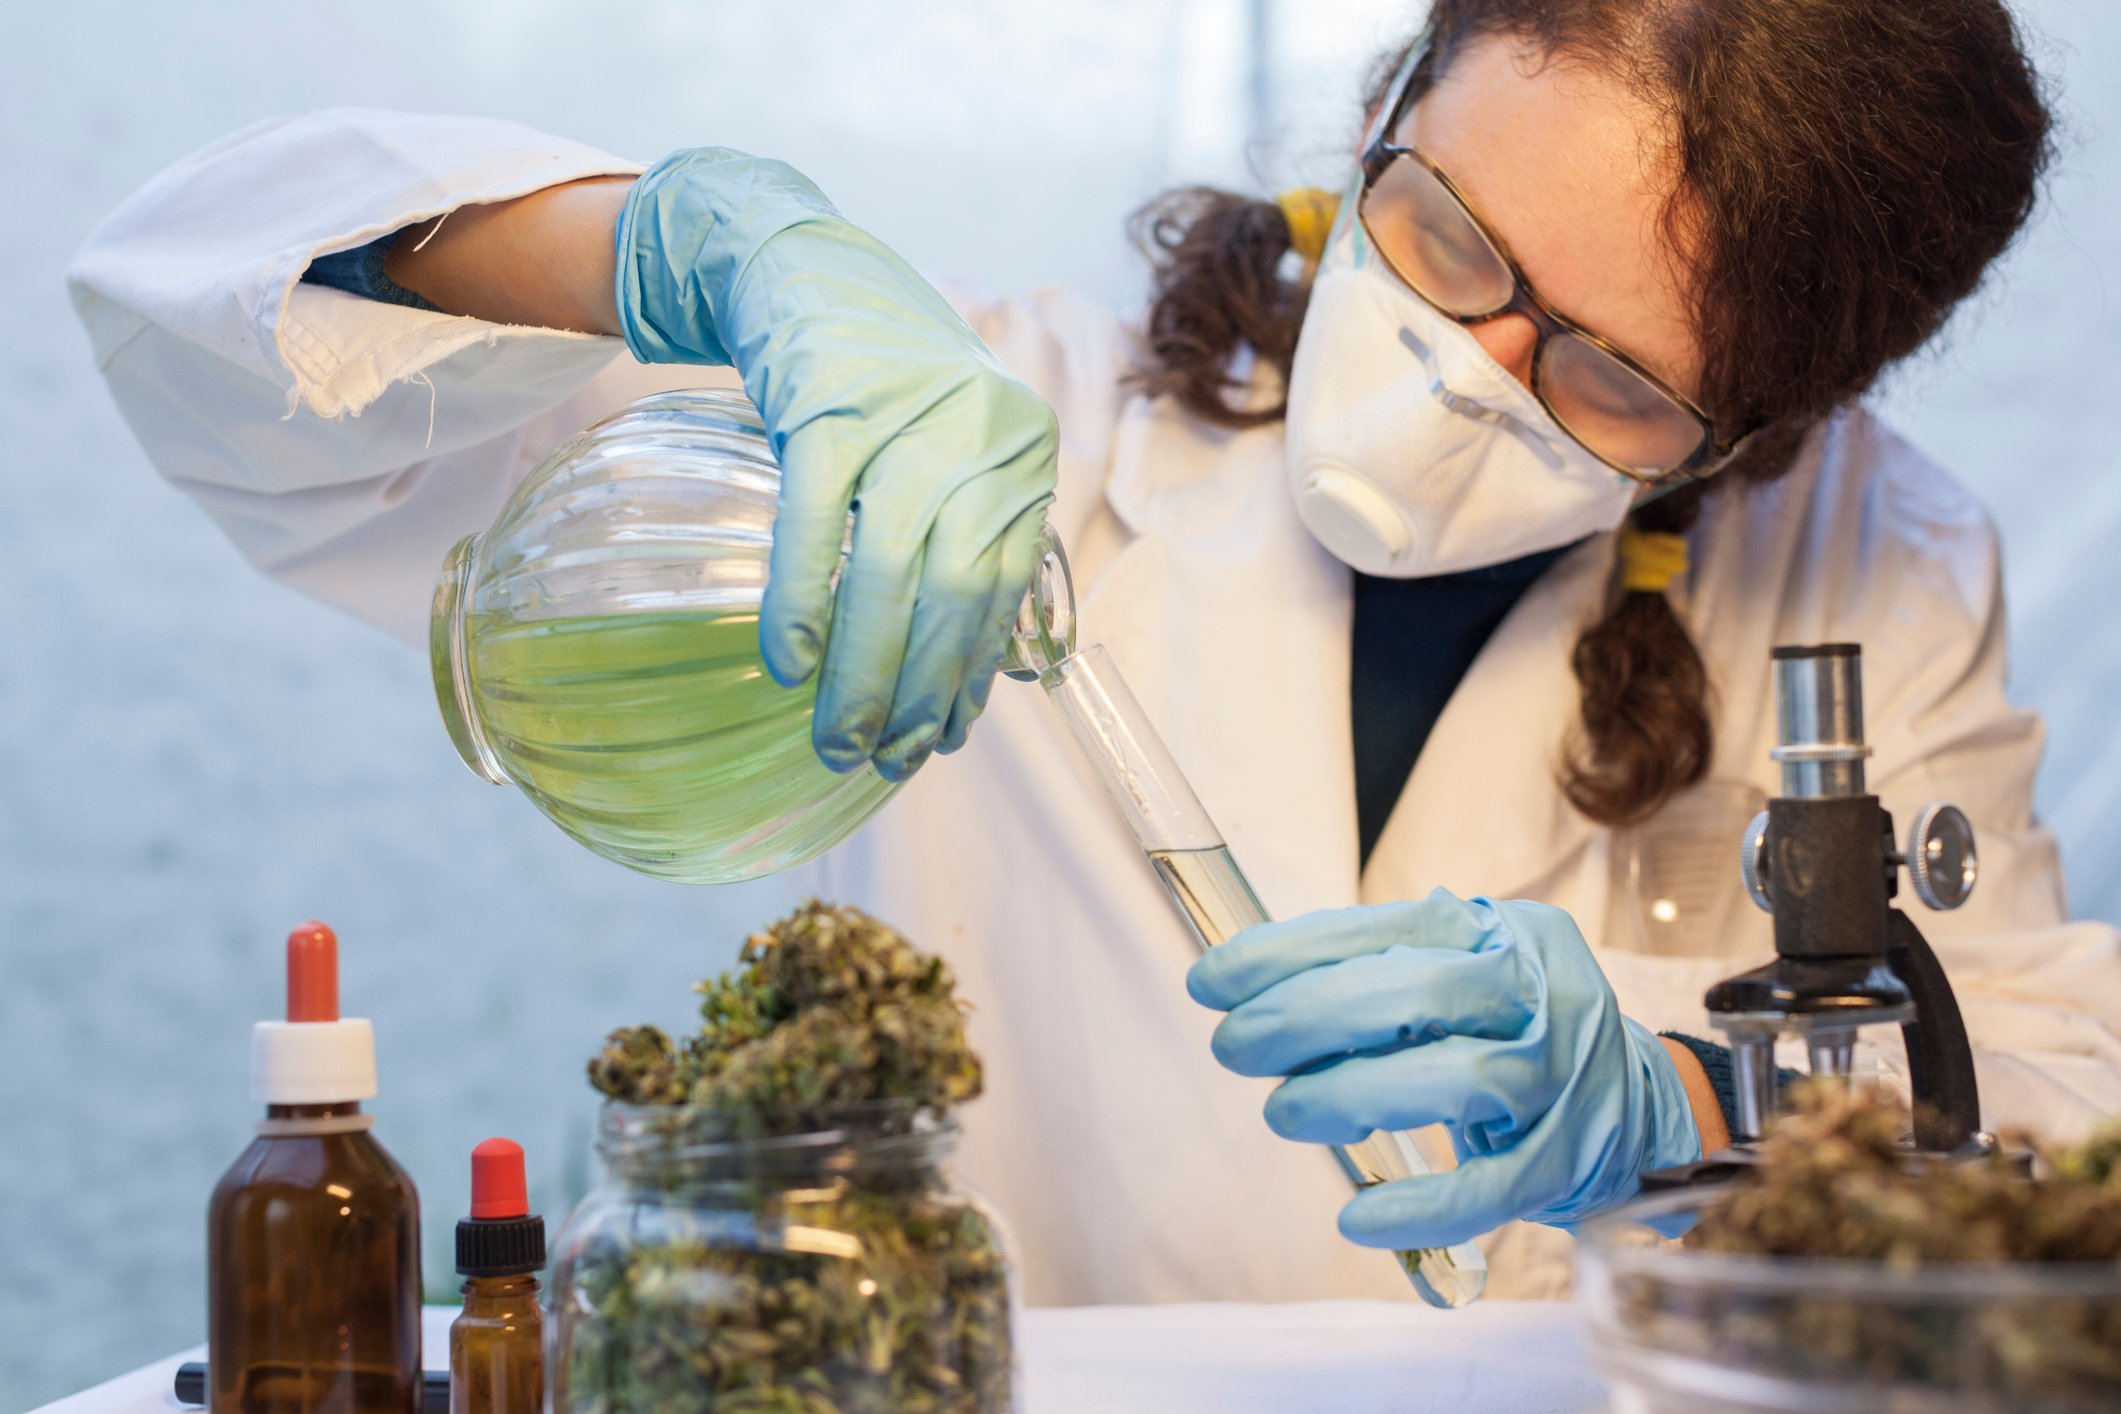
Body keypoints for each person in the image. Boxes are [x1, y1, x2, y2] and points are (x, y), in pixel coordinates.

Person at [68, 0, 2121, 1302]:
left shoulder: (1878, 559)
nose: (1471, 363)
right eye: (1448, 240)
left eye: (1603, 374)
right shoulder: (965, 430)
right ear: (1390, 92)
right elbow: (197, 317)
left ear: (1764, 426)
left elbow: (2058, 1089)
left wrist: (1679, 1089)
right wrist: (704, 252)